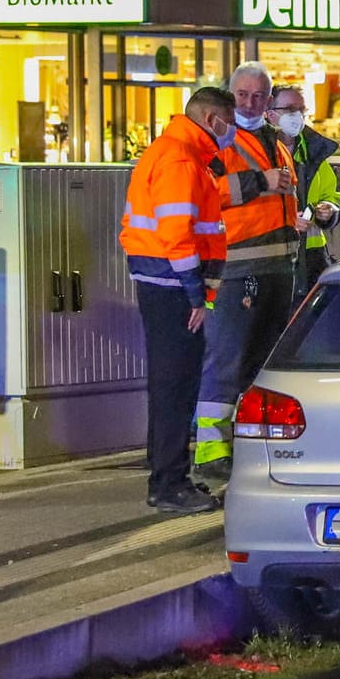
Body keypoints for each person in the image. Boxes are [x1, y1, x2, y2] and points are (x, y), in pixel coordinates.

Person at [120, 88, 232, 514]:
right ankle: (169, 483)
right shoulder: (181, 160)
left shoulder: (181, 153)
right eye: (228, 120)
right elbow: (177, 234)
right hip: (173, 287)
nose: (231, 130)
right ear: (210, 118)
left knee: (175, 384)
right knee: (175, 385)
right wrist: (195, 295)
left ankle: (170, 477)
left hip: (165, 283)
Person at [193, 62, 298, 481]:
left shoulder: (276, 141)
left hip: (276, 265)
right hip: (235, 266)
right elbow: (207, 192)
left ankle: (246, 445)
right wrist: (261, 181)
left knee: (261, 363)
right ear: (229, 95)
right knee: (227, 360)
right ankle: (210, 451)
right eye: (242, 95)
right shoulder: (220, 142)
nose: (250, 103)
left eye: (258, 96)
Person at [266, 84, 340, 298]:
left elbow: (332, 195)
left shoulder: (313, 151)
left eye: (301, 110)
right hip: (272, 255)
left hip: (312, 257)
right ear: (270, 113)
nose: (298, 116)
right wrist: (287, 219)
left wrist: (330, 209)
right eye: (290, 109)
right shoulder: (259, 151)